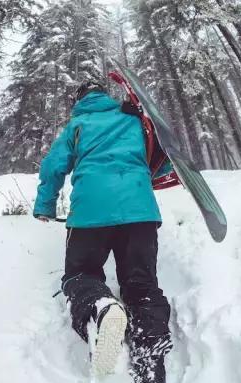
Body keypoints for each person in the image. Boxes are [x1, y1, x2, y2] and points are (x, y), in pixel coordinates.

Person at [33, 80, 172, 383]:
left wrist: (45, 205)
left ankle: (100, 308)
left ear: (79, 100)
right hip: (140, 211)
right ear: (105, 96)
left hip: (91, 213)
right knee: (142, 285)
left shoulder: (78, 125)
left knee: (80, 274)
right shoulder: (133, 118)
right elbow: (160, 164)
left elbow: (54, 165)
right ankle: (150, 362)